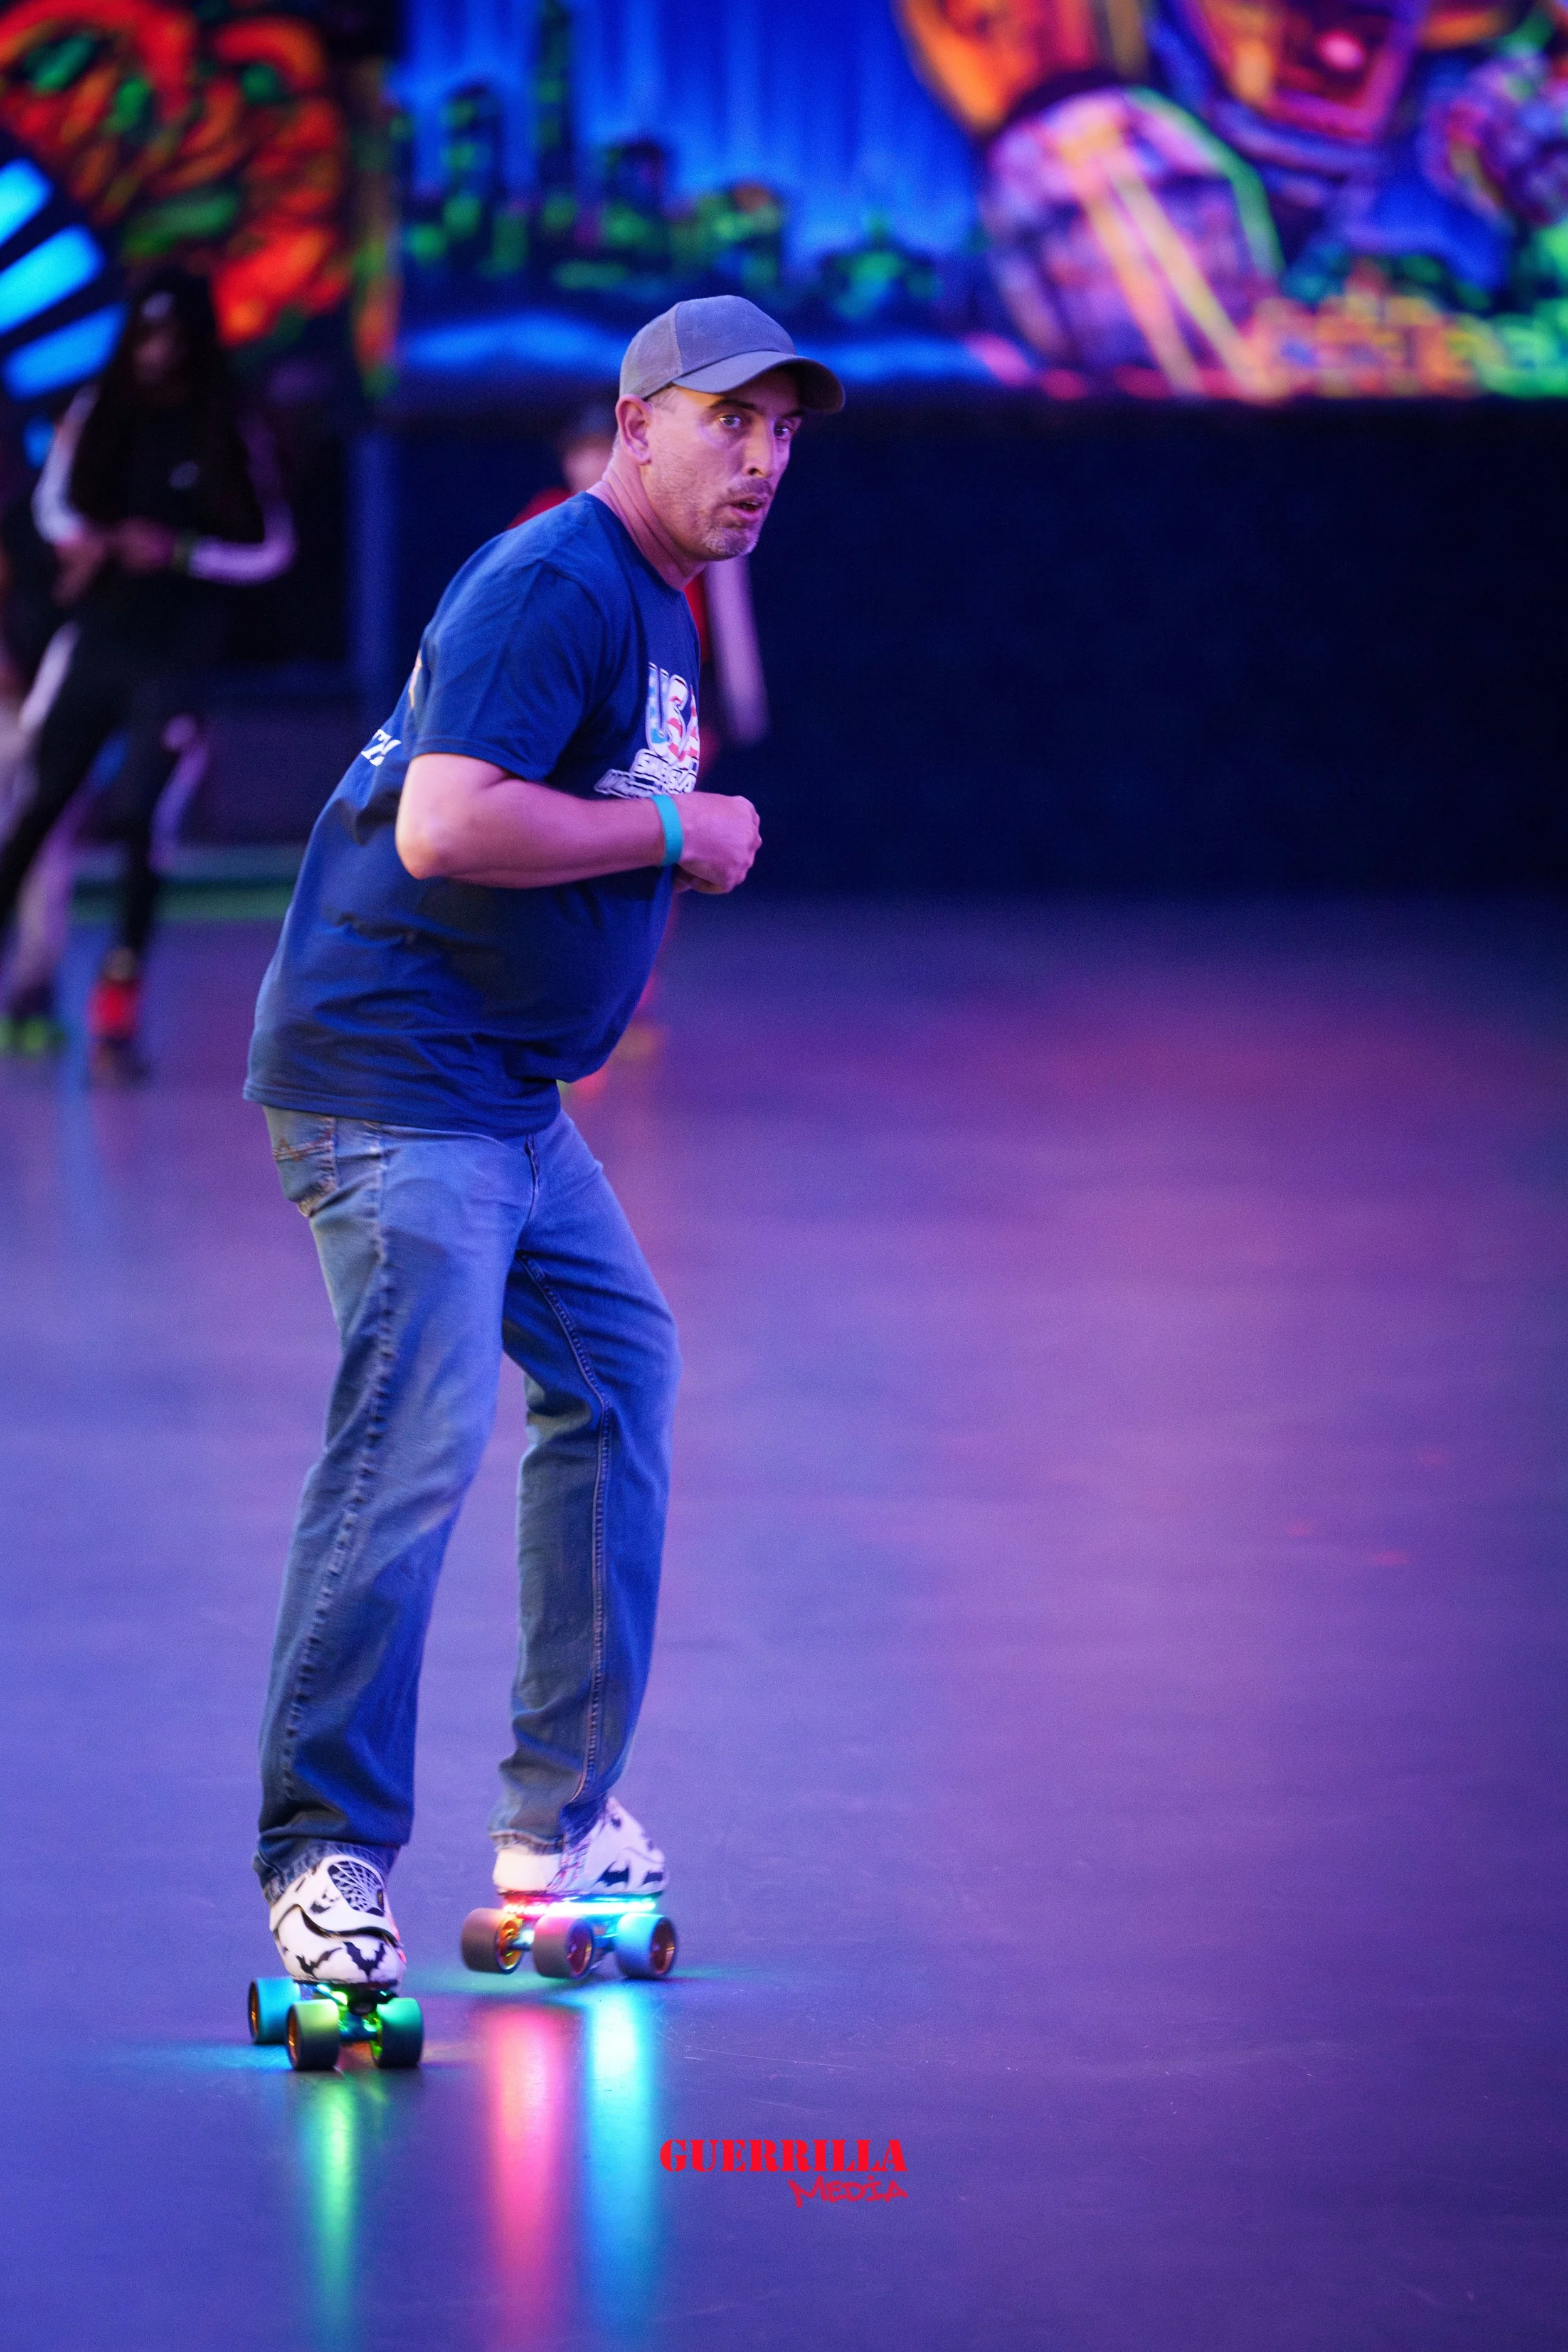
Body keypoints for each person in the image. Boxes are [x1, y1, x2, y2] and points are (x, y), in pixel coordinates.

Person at [244, 297, 842, 1989]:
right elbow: (442, 822)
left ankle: (556, 1832)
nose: (761, 459)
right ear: (634, 419)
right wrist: (672, 824)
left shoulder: (656, 596)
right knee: (413, 1437)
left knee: (618, 1366)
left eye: (784, 433)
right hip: (393, 1080)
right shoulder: (556, 578)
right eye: (732, 420)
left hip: (500, 1086)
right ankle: (322, 1865)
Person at [0, 268, 294, 1078]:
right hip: (97, 636)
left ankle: (116, 1007)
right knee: (35, 812)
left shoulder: (225, 421)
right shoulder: (100, 412)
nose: (158, 352)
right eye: (147, 334)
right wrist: (87, 540)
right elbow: (53, 506)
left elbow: (271, 545)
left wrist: (181, 550)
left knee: (140, 818)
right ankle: (24, 990)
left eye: (174, 336)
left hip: (174, 649)